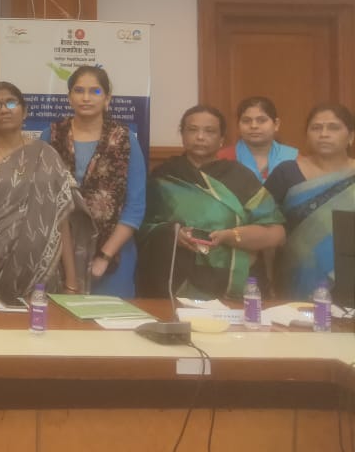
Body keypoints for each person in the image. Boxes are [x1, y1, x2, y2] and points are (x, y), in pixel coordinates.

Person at [0, 82, 90, 300]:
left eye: (11, 103)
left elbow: (61, 217)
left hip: (42, 273)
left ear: (24, 111)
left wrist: (71, 283)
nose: (4, 109)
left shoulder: (47, 155)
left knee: (39, 322)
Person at [139, 105, 285, 300]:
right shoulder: (163, 177)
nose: (200, 137)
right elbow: (142, 227)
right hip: (174, 283)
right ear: (182, 135)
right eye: (193, 130)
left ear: (222, 139)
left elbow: (276, 233)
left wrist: (230, 236)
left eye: (209, 131)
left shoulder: (241, 178)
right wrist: (172, 233)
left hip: (233, 287)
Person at [42, 66, 146, 298]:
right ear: (70, 97)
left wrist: (105, 256)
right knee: (59, 318)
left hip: (113, 255)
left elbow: (135, 207)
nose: (86, 97)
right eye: (79, 90)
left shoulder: (125, 139)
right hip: (58, 253)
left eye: (95, 91)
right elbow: (41, 198)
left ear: (107, 98)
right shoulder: (51, 136)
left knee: (108, 319)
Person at [265, 103, 355, 300]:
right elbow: (265, 226)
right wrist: (267, 280)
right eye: (316, 128)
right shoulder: (286, 172)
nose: (324, 134)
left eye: (333, 127)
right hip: (294, 279)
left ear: (351, 136)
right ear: (306, 135)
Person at [217, 96, 298, 181]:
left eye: (262, 120)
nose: (253, 126)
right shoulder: (222, 159)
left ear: (276, 124)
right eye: (246, 121)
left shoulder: (293, 158)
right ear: (238, 125)